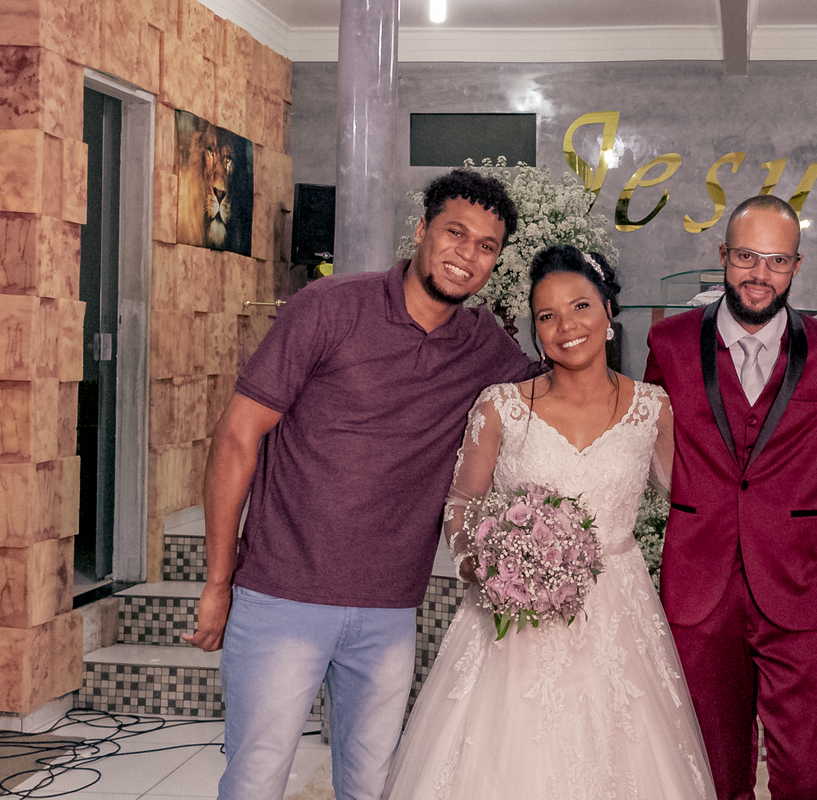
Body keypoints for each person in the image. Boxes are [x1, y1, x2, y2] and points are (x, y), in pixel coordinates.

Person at [182, 169, 540, 800]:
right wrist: (217, 583)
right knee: (256, 779)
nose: (467, 254)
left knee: (371, 785)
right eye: (455, 233)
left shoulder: (483, 345)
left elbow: (554, 397)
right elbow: (237, 437)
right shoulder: (329, 307)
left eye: (486, 246)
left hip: (389, 609)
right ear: (421, 230)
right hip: (282, 594)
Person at [384, 244, 717, 799]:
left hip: (618, 612)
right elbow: (461, 502)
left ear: (608, 311)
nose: (567, 326)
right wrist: (487, 567)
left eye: (580, 306)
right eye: (547, 315)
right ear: (536, 330)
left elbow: (691, 500)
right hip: (512, 620)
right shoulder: (501, 406)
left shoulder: (653, 409)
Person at [643, 195, 817, 800]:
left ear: (797, 265)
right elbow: (637, 434)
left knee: (807, 775)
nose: (760, 274)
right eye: (746, 257)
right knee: (712, 771)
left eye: (777, 261)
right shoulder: (669, 342)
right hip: (699, 587)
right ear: (722, 255)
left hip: (800, 587)